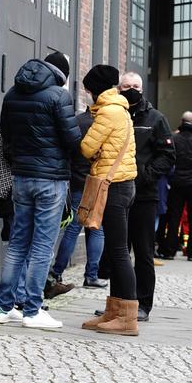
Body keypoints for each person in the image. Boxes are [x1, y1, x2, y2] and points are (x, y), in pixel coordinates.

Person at [0, 52, 82, 329]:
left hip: (21, 177)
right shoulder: (58, 96)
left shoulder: (11, 95)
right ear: (62, 76)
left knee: (18, 243)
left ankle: (4, 307)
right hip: (51, 180)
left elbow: (5, 136)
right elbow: (72, 140)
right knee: (42, 245)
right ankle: (32, 310)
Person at [79, 65, 139, 336]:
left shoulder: (109, 112)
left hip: (112, 186)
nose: (88, 95)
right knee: (115, 251)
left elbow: (86, 147)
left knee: (118, 252)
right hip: (123, 185)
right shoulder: (120, 109)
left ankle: (127, 317)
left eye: (89, 89)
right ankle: (114, 311)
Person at [116, 72, 174, 322]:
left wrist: (144, 176)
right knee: (118, 252)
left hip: (144, 195)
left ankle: (143, 304)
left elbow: (168, 156)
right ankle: (118, 303)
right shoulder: (114, 115)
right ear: (119, 88)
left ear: (143, 89)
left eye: (135, 86)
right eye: (126, 86)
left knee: (143, 252)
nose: (131, 90)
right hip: (117, 193)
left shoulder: (156, 118)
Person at [43, 99, 107, 297]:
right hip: (96, 181)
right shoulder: (104, 124)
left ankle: (57, 271)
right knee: (96, 228)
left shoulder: (77, 121)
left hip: (76, 180)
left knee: (72, 229)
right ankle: (91, 275)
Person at [160, 112, 192, 262]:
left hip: (177, 184)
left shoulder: (174, 138)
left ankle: (169, 251)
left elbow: (167, 160)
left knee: (173, 218)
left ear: (181, 122)